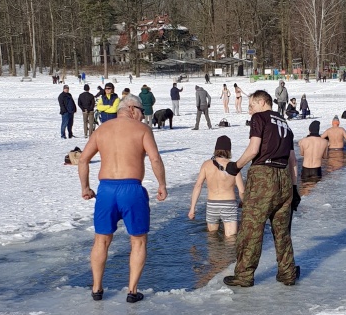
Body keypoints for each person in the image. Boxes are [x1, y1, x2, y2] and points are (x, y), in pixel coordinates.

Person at [78, 94, 167, 303]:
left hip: (106, 189)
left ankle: (97, 288)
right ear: (133, 109)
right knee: (138, 241)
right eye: (141, 112)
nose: (143, 116)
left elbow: (83, 160)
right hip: (131, 189)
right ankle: (132, 291)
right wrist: (162, 184)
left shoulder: (101, 130)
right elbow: (154, 158)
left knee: (101, 240)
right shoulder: (142, 130)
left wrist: (86, 187)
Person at [221, 89, 299, 288]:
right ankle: (287, 272)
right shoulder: (285, 123)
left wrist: (236, 165)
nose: (249, 111)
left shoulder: (260, 118)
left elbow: (254, 149)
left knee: (251, 228)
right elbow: (292, 159)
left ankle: (245, 275)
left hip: (263, 176)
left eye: (251, 106)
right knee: (282, 231)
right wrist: (295, 188)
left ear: (262, 102)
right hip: (284, 177)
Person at [188, 134, 245, 237]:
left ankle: (214, 252)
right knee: (231, 239)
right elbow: (241, 191)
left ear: (216, 149)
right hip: (229, 204)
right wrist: (244, 203)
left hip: (212, 205)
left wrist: (192, 208)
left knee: (212, 237)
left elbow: (198, 186)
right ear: (229, 150)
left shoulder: (206, 165)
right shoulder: (234, 166)